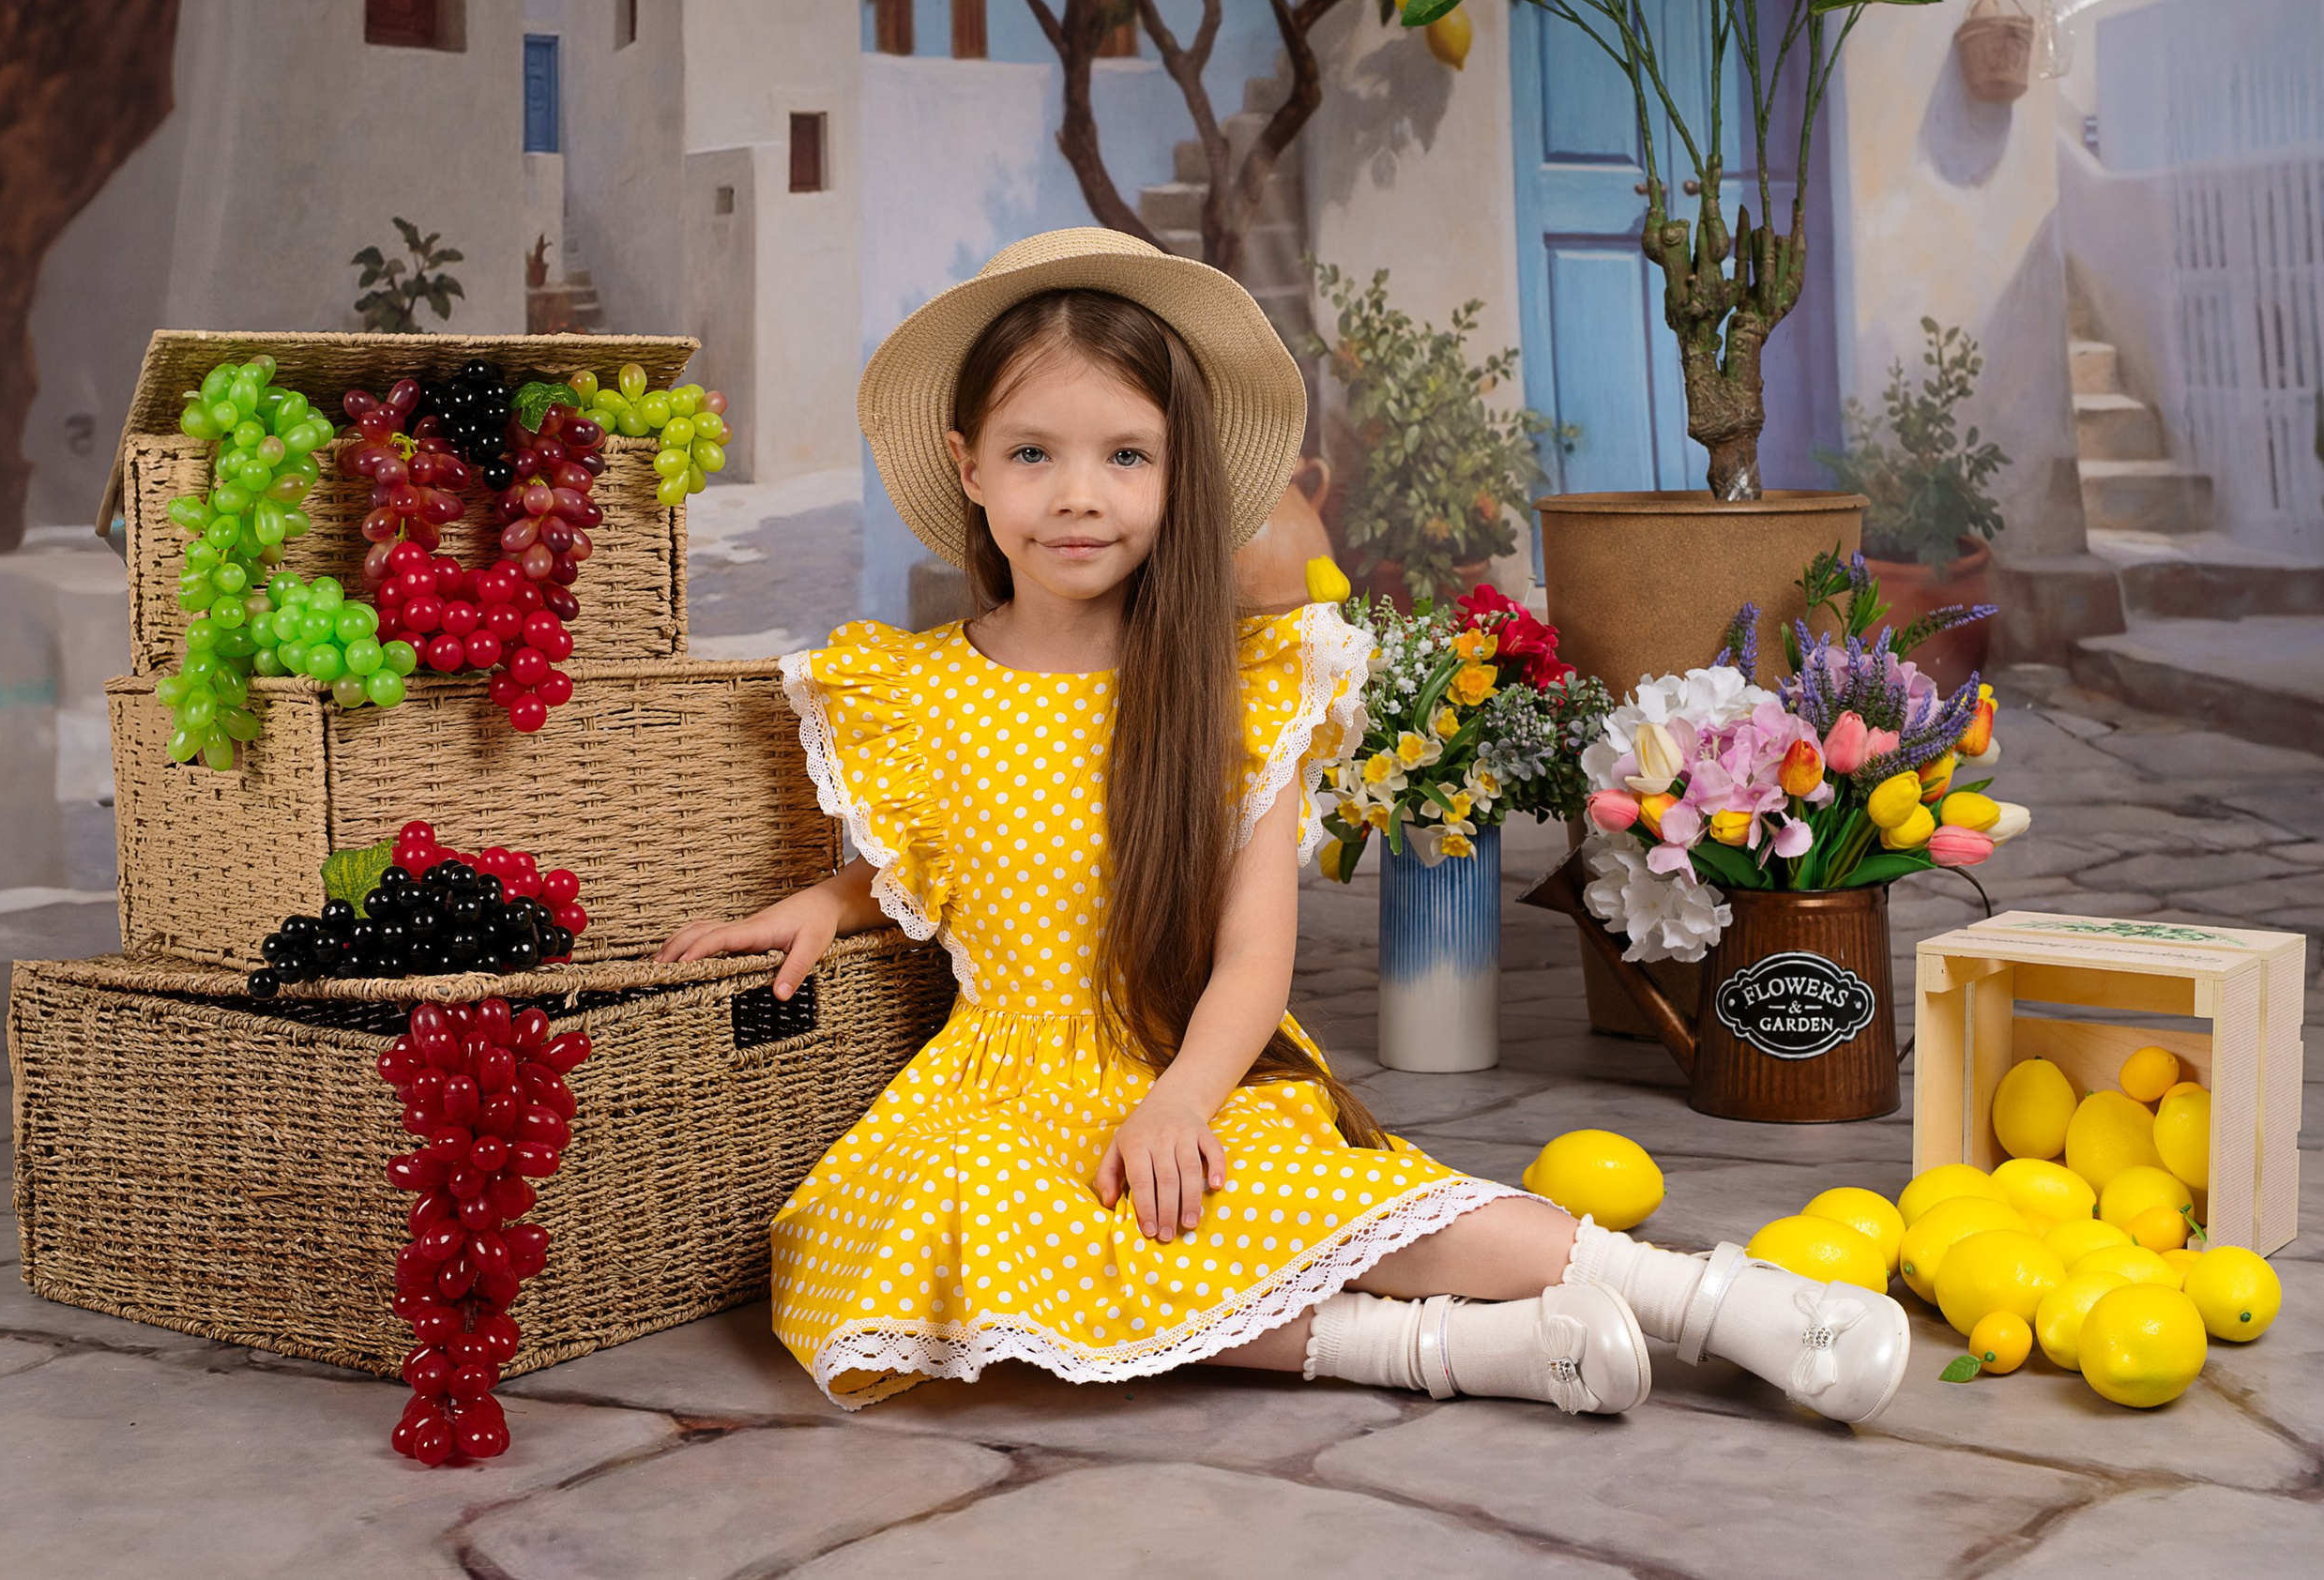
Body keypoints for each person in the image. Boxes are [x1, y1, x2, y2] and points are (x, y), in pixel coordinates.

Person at [658, 228, 1910, 1421]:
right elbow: (942, 860)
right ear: (968, 465)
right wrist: (833, 896)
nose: (1077, 496)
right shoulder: (914, 689)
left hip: (1193, 1057)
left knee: (1325, 1195)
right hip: (1002, 1090)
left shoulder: (1230, 688)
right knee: (942, 1219)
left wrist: (1182, 1101)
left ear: (1177, 473)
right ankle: (1445, 1350)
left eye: (1125, 456)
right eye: (1033, 454)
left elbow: (1254, 953)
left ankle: (1720, 1298)